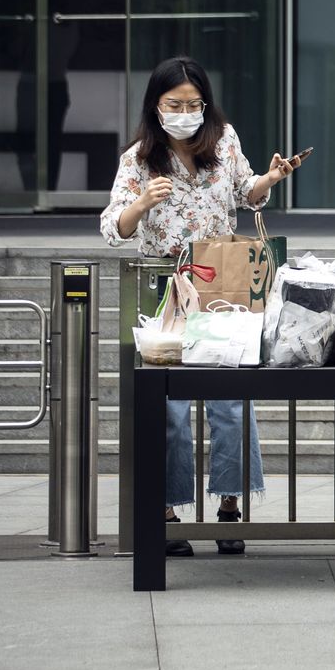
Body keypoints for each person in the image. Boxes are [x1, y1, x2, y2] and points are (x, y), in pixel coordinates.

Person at [99, 56, 301, 556]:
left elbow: (244, 192)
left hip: (222, 290)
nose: (186, 112)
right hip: (166, 292)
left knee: (231, 399)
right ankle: (167, 511)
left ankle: (230, 507)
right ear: (156, 107)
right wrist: (142, 203)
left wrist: (269, 180)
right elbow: (112, 229)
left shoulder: (224, 140)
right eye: (175, 104)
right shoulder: (139, 160)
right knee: (168, 406)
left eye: (194, 103)